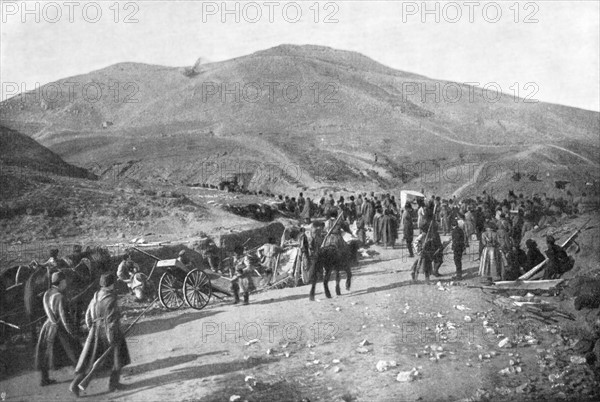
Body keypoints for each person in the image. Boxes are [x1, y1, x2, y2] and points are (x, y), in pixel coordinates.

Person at [70, 273, 130, 396]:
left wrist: (91, 328)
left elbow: (87, 315)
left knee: (90, 360)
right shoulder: (111, 299)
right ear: (111, 285)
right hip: (109, 333)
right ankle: (114, 384)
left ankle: (75, 385)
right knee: (117, 357)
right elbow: (111, 322)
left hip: (95, 332)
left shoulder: (96, 295)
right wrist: (112, 339)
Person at [34, 272, 81, 387]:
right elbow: (64, 318)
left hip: (48, 325)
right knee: (73, 348)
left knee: (45, 352)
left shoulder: (47, 293)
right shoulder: (60, 297)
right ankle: (80, 373)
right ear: (60, 283)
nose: (66, 284)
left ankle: (44, 379)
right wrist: (72, 331)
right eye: (64, 281)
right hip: (59, 327)